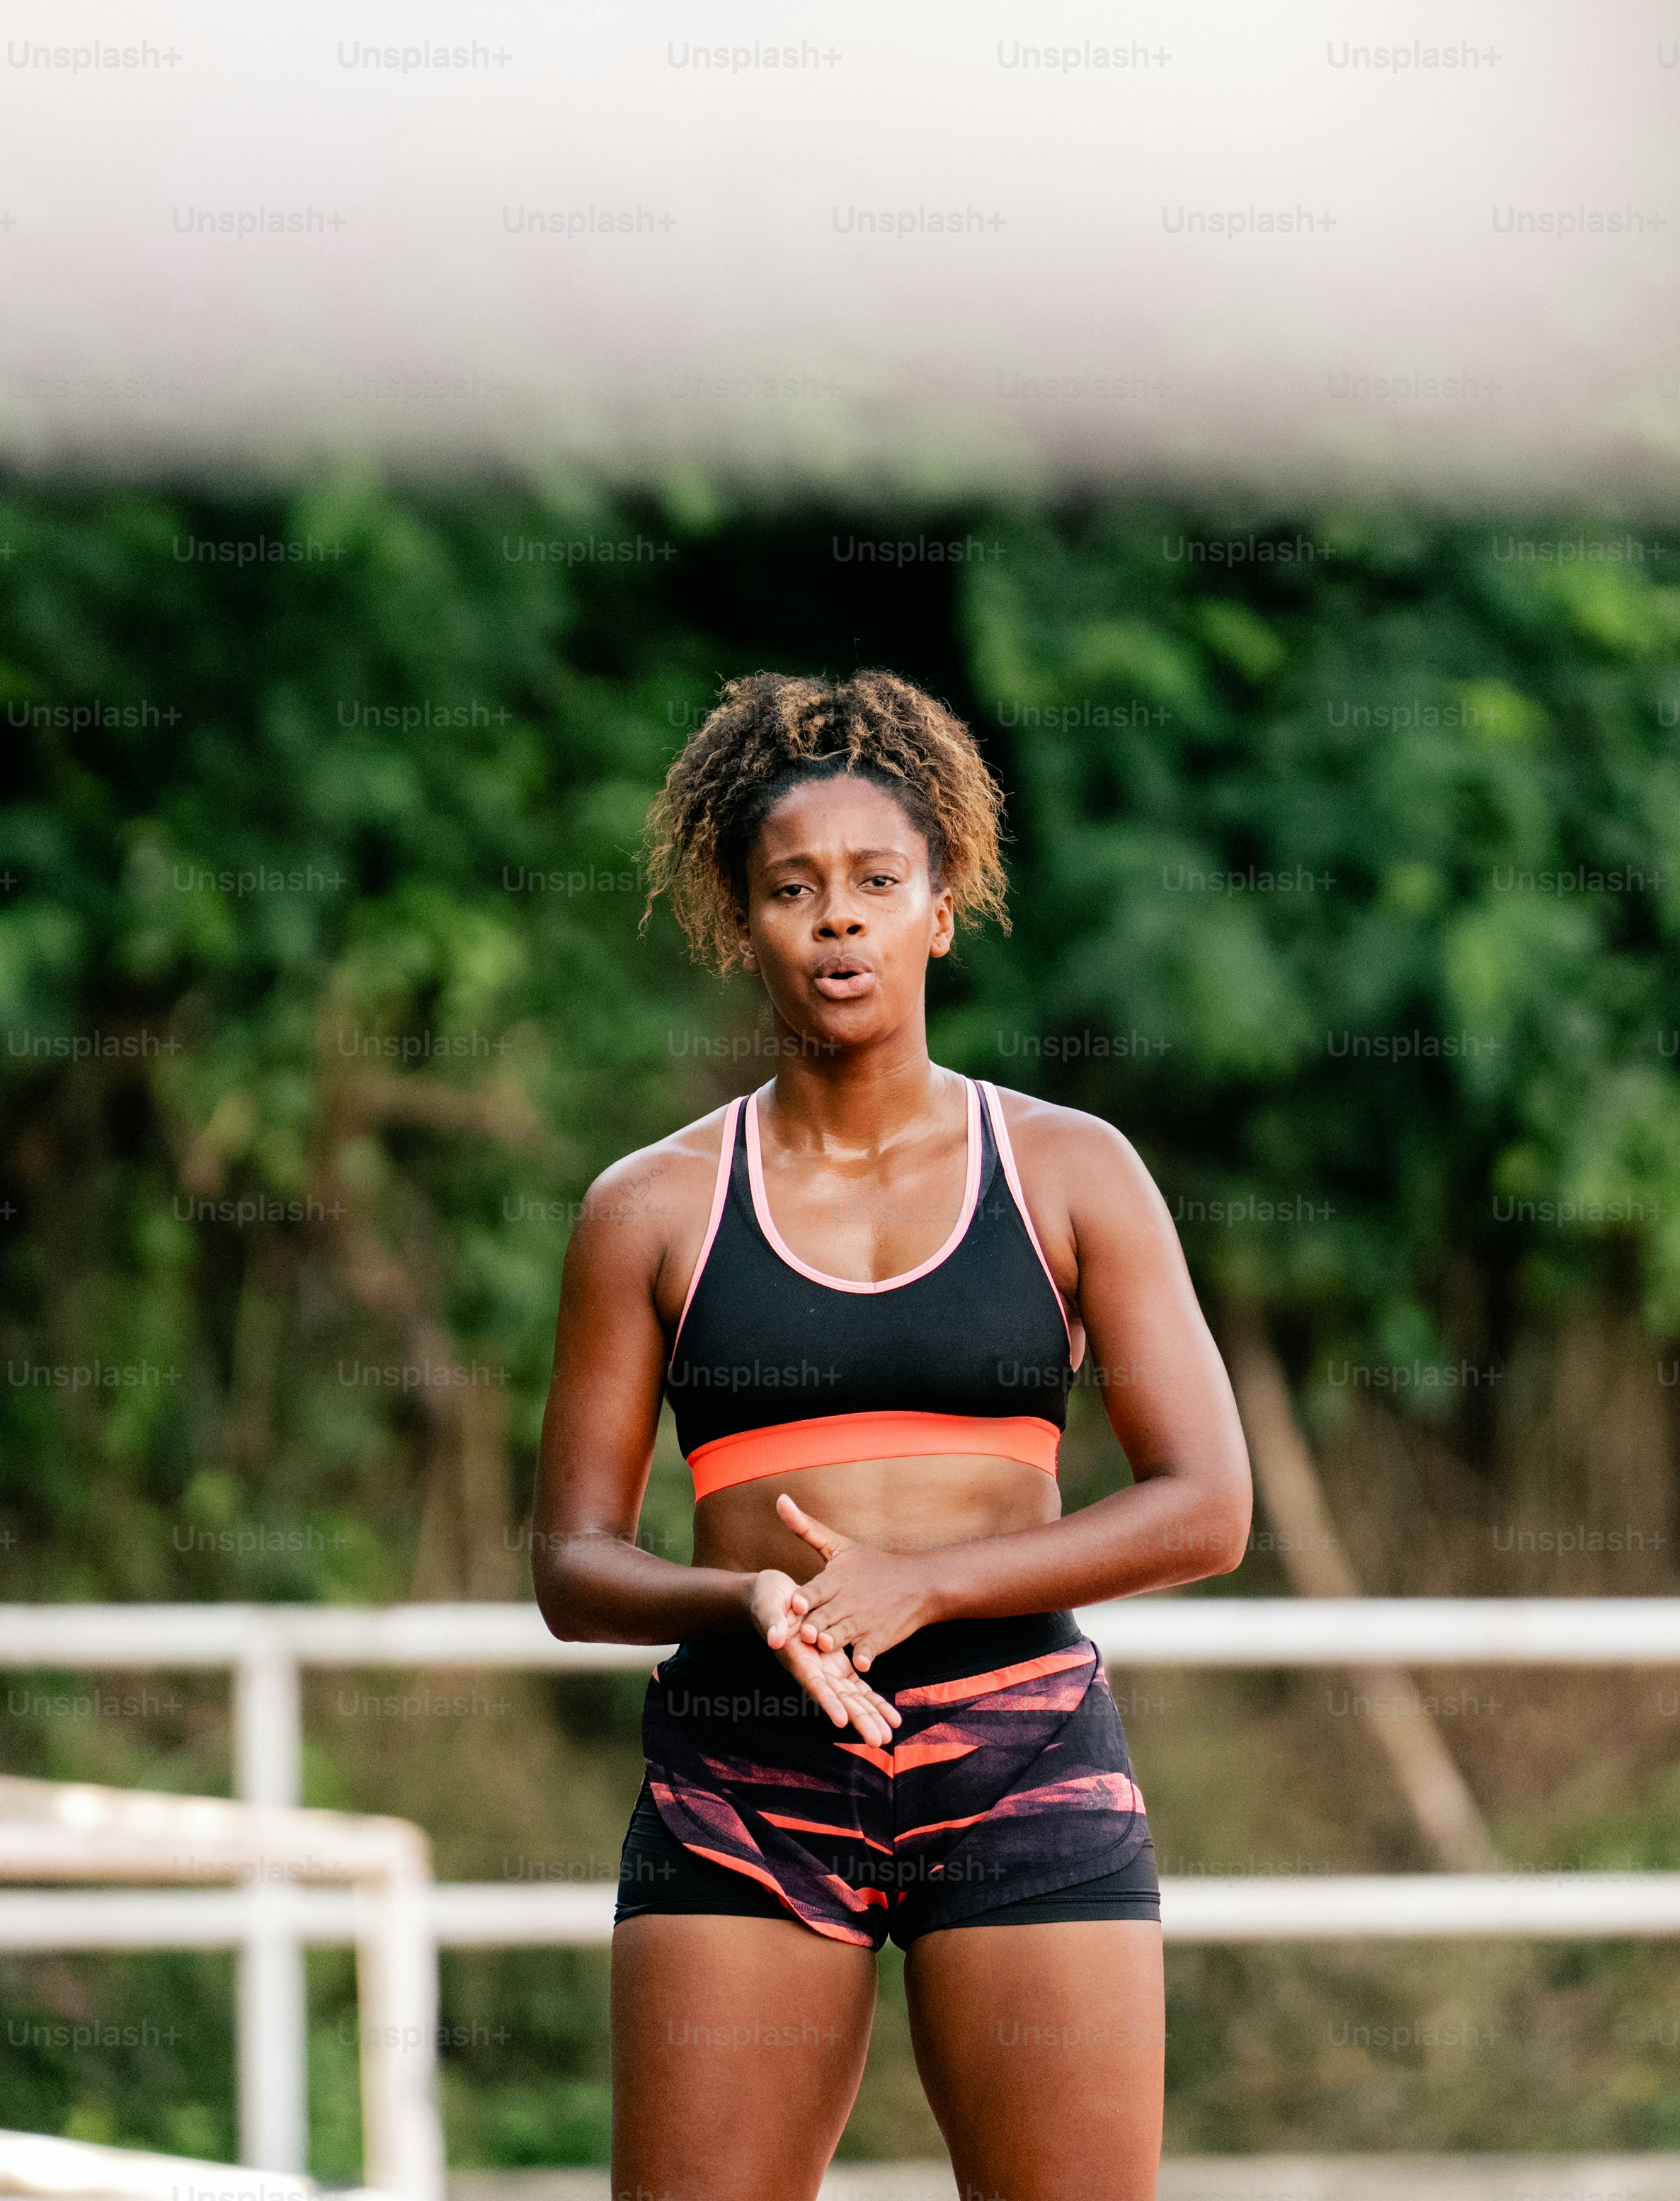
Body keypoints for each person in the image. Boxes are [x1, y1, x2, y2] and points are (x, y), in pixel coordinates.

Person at [530, 669, 1254, 2201]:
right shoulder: (648, 1207)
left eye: (876, 882)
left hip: (1023, 1759)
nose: (838, 919)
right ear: (744, 921)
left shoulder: (1069, 1170)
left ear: (941, 907)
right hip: (744, 1771)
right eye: (794, 889)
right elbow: (571, 1563)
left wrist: (922, 1585)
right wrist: (742, 1602)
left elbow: (1207, 1507)